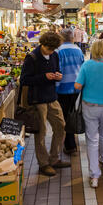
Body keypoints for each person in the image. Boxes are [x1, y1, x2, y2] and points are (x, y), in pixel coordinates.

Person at [20, 31, 71, 177]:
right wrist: (44, 77)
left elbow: (57, 70)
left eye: (53, 49)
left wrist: (58, 76)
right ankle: (44, 164)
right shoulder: (32, 57)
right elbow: (24, 80)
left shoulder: (54, 55)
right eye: (49, 48)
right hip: (37, 100)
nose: (51, 51)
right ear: (43, 44)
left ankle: (54, 158)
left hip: (52, 97)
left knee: (61, 126)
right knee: (41, 132)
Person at [74, 39, 103, 188]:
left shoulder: (87, 65)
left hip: (90, 106)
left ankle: (95, 175)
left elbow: (77, 85)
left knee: (92, 139)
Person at [56, 28, 84, 155]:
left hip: (62, 89)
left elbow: (58, 72)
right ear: (72, 38)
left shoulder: (59, 51)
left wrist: (55, 89)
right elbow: (82, 69)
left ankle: (70, 145)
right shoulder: (78, 50)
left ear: (61, 38)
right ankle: (71, 143)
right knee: (73, 115)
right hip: (76, 88)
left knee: (65, 117)